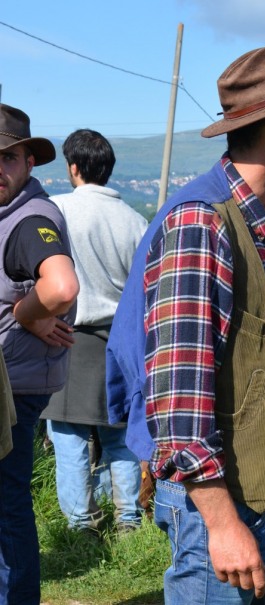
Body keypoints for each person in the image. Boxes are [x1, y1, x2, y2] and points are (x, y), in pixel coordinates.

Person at [106, 44, 265, 603]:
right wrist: (219, 523)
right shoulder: (202, 224)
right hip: (223, 500)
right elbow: (181, 395)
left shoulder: (263, 225)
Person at [40, 129, 148, 535]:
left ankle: (81, 525)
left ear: (73, 167)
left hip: (68, 338)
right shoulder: (135, 221)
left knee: (68, 437)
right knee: (118, 437)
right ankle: (128, 521)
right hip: (120, 343)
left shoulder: (57, 210)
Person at [0, 104, 79, 604]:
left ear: (29, 161)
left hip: (9, 389)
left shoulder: (30, 216)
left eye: (7, 157)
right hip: (11, 382)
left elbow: (62, 286)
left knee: (6, 508)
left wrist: (30, 314)